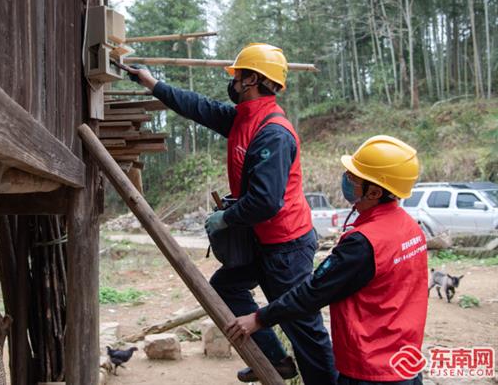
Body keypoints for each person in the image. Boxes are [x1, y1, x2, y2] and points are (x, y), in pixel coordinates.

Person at [127, 43, 337, 384]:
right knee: (226, 286)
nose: (233, 81)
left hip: (287, 247)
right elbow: (198, 107)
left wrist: (227, 216)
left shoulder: (273, 132)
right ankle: (275, 360)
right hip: (263, 241)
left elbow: (267, 202)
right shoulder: (243, 118)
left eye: (238, 76)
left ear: (251, 79)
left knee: (304, 331)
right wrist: (153, 84)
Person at [225, 135, 428, 385]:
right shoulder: (410, 228)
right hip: (405, 363)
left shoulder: (364, 243)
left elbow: (313, 292)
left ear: (374, 191)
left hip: (370, 371)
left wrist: (259, 318)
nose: (346, 180)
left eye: (353, 178)